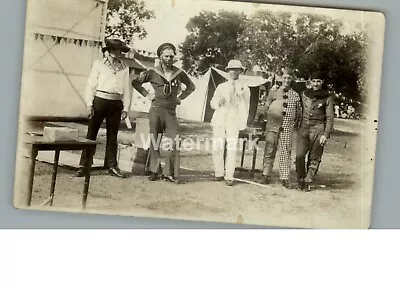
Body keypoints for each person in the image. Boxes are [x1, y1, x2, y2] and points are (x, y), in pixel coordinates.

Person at [131, 43, 196, 183]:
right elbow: (136, 82)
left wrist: (180, 98)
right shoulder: (152, 72)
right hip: (156, 109)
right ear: (160, 57)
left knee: (175, 139)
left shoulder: (179, 73)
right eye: (166, 56)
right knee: (155, 140)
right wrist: (147, 95)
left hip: (170, 111)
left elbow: (191, 86)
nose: (169, 58)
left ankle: (169, 172)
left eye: (171, 56)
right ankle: (154, 170)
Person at [76, 38, 132, 178]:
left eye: (118, 50)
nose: (115, 53)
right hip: (100, 100)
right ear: (107, 51)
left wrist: (126, 108)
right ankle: (84, 165)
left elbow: (127, 89)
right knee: (91, 133)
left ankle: (111, 165)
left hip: (116, 103)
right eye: (112, 50)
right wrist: (89, 104)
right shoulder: (99, 65)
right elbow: (90, 85)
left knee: (112, 136)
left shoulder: (125, 68)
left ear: (121, 52)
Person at [258, 68, 301, 188]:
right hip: (272, 126)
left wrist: (293, 125)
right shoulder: (274, 91)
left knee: (285, 152)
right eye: (285, 78)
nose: (287, 80)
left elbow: (298, 113)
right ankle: (265, 174)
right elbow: (266, 106)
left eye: (289, 78)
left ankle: (284, 177)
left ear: (292, 79)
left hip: (287, 127)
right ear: (281, 78)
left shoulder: (295, 95)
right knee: (269, 149)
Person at [210, 60, 251, 186]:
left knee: (232, 148)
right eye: (231, 69)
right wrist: (218, 103)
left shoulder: (245, 88)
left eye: (237, 69)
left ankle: (229, 176)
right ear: (228, 71)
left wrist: (242, 123)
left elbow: (246, 106)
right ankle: (218, 173)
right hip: (220, 118)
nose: (234, 72)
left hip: (234, 118)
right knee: (217, 147)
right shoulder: (221, 87)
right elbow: (212, 103)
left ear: (240, 71)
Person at [296, 71, 334, 191]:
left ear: (322, 82)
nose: (316, 84)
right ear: (310, 81)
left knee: (314, 157)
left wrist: (326, 134)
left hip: (318, 128)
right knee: (299, 156)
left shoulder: (327, 97)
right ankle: (301, 178)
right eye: (313, 81)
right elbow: (291, 84)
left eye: (318, 81)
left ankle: (308, 181)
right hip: (304, 127)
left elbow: (330, 117)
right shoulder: (304, 94)